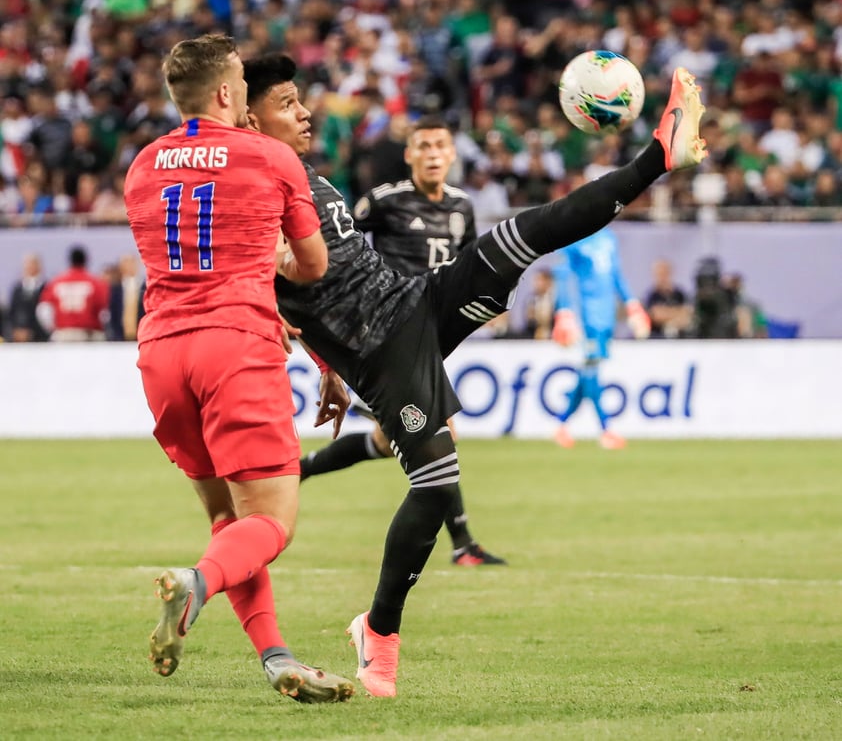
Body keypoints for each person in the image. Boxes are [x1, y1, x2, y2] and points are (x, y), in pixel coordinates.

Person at [244, 53, 707, 698]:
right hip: (383, 351)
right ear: (246, 114)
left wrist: (322, 363)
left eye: (301, 98)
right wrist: (319, 349)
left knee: (526, 234)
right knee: (435, 485)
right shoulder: (247, 195)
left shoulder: (302, 175)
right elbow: (267, 281)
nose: (304, 111)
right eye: (287, 102)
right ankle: (378, 631)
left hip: (412, 303)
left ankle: (659, 155)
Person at [122, 34, 354, 704]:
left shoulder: (143, 165)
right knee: (272, 522)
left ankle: (277, 659)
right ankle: (195, 584)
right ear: (229, 93)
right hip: (237, 346)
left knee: (232, 522)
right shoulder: (271, 157)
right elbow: (313, 266)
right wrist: (273, 261)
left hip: (163, 353)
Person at [299, 113, 506, 567]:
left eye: (440, 146)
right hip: (385, 333)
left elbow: (469, 265)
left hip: (431, 334)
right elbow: (338, 244)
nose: (433, 155)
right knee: (441, 433)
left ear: (453, 154)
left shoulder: (461, 206)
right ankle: (464, 545)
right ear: (409, 154)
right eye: (424, 146)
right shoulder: (385, 202)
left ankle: (298, 470)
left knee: (380, 441)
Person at [550, 227, 651, 451]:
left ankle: (561, 425)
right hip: (586, 316)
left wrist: (632, 304)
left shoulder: (608, 238)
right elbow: (562, 275)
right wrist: (565, 311)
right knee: (592, 370)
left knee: (587, 372)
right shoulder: (574, 236)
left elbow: (616, 274)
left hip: (607, 317)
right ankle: (606, 429)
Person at [36, 245, 110, 341]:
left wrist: (53, 328)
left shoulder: (56, 282)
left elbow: (43, 310)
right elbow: (104, 312)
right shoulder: (95, 283)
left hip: (63, 333)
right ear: (85, 260)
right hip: (88, 334)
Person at [644, 258, 692, 339]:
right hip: (657, 337)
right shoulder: (652, 295)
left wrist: (666, 314)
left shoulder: (679, 294)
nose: (662, 277)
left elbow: (687, 313)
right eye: (659, 274)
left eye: (664, 273)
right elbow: (655, 315)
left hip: (680, 338)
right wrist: (676, 312)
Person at [8, 252, 48, 342]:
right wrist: (16, 329)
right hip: (20, 336)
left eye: (32, 264)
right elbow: (12, 311)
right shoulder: (17, 289)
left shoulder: (46, 288)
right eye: (27, 264)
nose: (29, 267)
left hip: (40, 336)